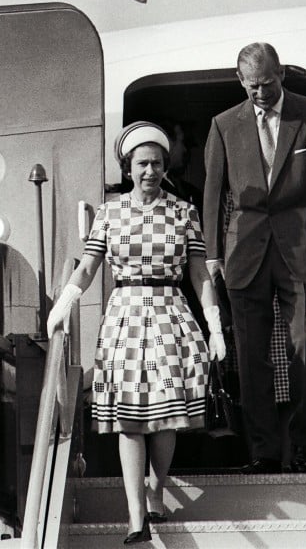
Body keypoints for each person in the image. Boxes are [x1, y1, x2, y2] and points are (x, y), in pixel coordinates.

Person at [47, 121, 226, 545]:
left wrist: (214, 326)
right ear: (128, 167)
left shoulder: (183, 212)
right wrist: (64, 304)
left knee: (164, 419)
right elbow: (90, 266)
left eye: (158, 164)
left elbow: (200, 272)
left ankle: (156, 490)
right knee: (129, 421)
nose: (151, 171)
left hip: (170, 314)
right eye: (143, 163)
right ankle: (134, 516)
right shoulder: (109, 213)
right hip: (125, 316)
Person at [203, 42, 306, 475]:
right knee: (251, 355)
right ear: (241, 82)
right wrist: (213, 254)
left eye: (267, 84)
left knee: (305, 345)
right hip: (244, 254)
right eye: (252, 86)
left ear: (281, 75)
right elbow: (213, 194)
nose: (261, 93)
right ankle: (264, 450)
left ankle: (304, 443)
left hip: (302, 249)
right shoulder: (223, 125)